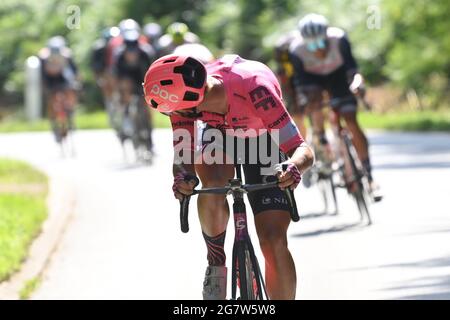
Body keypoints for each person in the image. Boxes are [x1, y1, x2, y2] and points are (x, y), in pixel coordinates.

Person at [143, 54, 314, 300]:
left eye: (174, 112)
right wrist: (184, 178)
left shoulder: (256, 88)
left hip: (263, 138)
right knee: (212, 182)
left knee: (273, 241)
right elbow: (183, 158)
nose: (174, 116)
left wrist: (292, 166)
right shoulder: (184, 101)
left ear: (192, 102)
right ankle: (215, 260)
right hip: (219, 137)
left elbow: (301, 149)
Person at [289, 13, 380, 195]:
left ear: (327, 36)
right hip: (312, 79)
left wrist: (357, 83)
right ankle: (321, 141)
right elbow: (300, 84)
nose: (317, 50)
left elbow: (354, 70)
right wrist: (304, 101)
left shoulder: (339, 39)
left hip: (338, 76)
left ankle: (369, 176)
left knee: (351, 119)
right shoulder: (296, 49)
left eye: (321, 43)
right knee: (313, 103)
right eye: (312, 45)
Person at [113, 26, 156, 155]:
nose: (131, 54)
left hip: (143, 77)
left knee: (146, 107)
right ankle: (126, 117)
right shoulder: (119, 55)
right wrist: (122, 94)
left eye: (134, 50)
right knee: (125, 92)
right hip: (127, 80)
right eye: (129, 51)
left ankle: (149, 141)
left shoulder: (146, 53)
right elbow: (117, 77)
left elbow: (152, 73)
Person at [38, 36, 80, 143]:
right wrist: (44, 87)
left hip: (63, 78)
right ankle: (53, 123)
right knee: (51, 101)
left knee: (70, 92)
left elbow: (74, 71)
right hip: (50, 81)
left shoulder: (67, 55)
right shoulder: (43, 57)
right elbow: (42, 75)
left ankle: (70, 114)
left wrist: (76, 81)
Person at [274, 30, 307, 138]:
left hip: (291, 79)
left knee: (297, 113)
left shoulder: (281, 49)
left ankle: (305, 141)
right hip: (296, 79)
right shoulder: (299, 45)